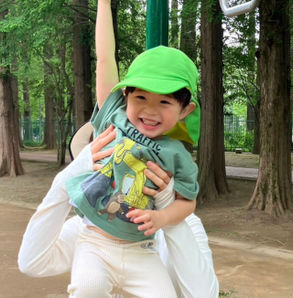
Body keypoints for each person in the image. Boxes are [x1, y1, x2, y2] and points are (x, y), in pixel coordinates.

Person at [19, 0, 218, 296]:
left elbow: (188, 203)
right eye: (141, 98)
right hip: (95, 240)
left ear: (185, 110)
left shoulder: (177, 154)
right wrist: (104, 3)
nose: (150, 111)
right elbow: (104, 57)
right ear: (125, 95)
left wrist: (163, 214)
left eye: (164, 102)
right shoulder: (114, 118)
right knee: (89, 286)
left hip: (143, 247)